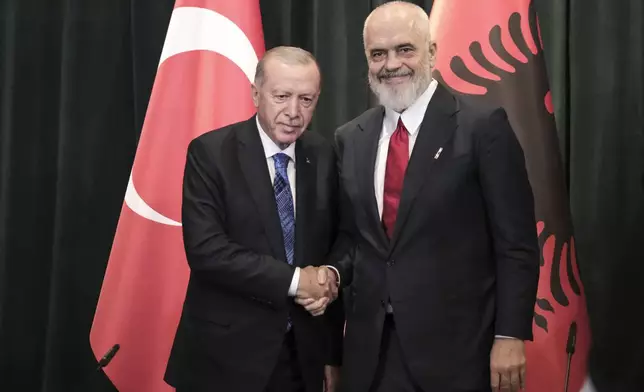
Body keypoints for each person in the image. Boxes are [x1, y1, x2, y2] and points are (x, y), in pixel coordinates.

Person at [324, 2, 540, 392]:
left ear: (432, 52)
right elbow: (350, 238)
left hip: (457, 353)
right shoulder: (349, 138)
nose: (392, 63)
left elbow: (517, 245)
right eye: (378, 54)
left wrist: (509, 336)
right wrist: (331, 350)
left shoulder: (482, 128)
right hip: (369, 354)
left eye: (405, 49)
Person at [164, 46, 342, 392]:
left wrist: (330, 277)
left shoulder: (322, 155)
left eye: (306, 99)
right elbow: (207, 252)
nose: (294, 112)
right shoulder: (211, 153)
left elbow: (340, 238)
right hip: (225, 360)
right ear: (256, 94)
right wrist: (295, 281)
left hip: (300, 359)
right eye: (281, 96)